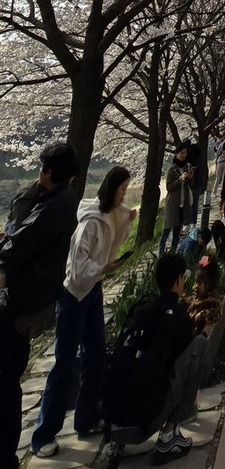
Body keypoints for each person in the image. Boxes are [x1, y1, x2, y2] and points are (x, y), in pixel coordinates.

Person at [31, 167, 133, 459]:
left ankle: (86, 418)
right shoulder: (89, 223)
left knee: (96, 356)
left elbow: (114, 237)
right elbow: (77, 271)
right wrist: (104, 268)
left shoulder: (109, 215)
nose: (124, 194)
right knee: (64, 364)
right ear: (111, 188)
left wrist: (127, 218)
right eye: (122, 189)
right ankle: (43, 435)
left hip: (93, 292)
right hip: (74, 296)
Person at [0, 142, 79, 469]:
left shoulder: (51, 207)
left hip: (19, 305)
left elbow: (15, 247)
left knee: (6, 382)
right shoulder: (65, 198)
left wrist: (6, 242)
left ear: (47, 171)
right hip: (31, 301)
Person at [104, 251, 206, 464]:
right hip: (145, 419)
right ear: (178, 280)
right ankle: (169, 435)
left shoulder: (139, 310)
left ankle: (115, 444)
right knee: (199, 345)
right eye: (184, 278)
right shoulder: (177, 317)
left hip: (114, 421)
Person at [159, 145, 193, 255]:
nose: (184, 155)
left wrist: (189, 178)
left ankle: (172, 254)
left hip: (183, 204)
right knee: (166, 230)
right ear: (176, 154)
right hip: (173, 204)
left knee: (177, 232)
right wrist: (179, 180)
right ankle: (160, 255)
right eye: (181, 153)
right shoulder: (172, 169)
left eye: (185, 153)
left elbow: (190, 184)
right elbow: (169, 187)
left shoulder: (187, 167)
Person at [187, 256, 222, 338]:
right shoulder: (198, 298)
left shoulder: (211, 302)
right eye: (195, 282)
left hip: (195, 338)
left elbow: (217, 313)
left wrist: (202, 314)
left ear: (208, 285)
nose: (196, 286)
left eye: (199, 283)